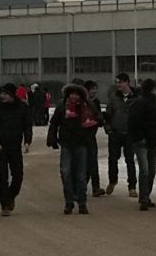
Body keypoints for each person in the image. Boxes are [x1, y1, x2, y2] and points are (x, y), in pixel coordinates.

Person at [47, 82, 97, 214]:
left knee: (81, 175)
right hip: (66, 144)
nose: (74, 97)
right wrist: (52, 138)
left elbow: (95, 122)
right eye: (71, 94)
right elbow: (54, 123)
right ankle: (69, 201)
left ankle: (82, 202)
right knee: (65, 172)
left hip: (82, 144)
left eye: (76, 94)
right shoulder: (62, 106)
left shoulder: (87, 106)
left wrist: (88, 138)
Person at [0, 83, 32, 216]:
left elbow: (27, 126)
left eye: (5, 94)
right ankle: (4, 205)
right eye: (2, 94)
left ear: (12, 95)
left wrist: (27, 141)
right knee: (3, 177)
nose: (3, 96)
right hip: (1, 146)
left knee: (18, 176)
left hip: (15, 146)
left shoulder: (22, 108)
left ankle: (10, 196)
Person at [128, 78, 156, 211]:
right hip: (144, 141)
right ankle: (144, 197)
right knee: (147, 170)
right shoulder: (145, 104)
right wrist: (141, 137)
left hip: (150, 140)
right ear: (153, 89)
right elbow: (134, 123)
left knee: (148, 171)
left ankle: (145, 196)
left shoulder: (151, 103)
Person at [103, 73, 138, 197]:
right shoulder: (114, 97)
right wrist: (108, 129)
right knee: (113, 159)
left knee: (130, 160)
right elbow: (108, 115)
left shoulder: (136, 97)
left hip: (130, 133)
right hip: (115, 132)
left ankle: (132, 186)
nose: (118, 85)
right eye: (117, 82)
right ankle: (112, 180)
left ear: (127, 82)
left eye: (121, 82)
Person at [83, 79, 106, 197]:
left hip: (92, 135)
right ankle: (81, 186)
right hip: (81, 136)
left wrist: (100, 120)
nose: (95, 91)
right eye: (93, 89)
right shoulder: (81, 102)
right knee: (83, 162)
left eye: (96, 88)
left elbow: (98, 116)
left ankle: (95, 187)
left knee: (93, 161)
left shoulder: (96, 102)